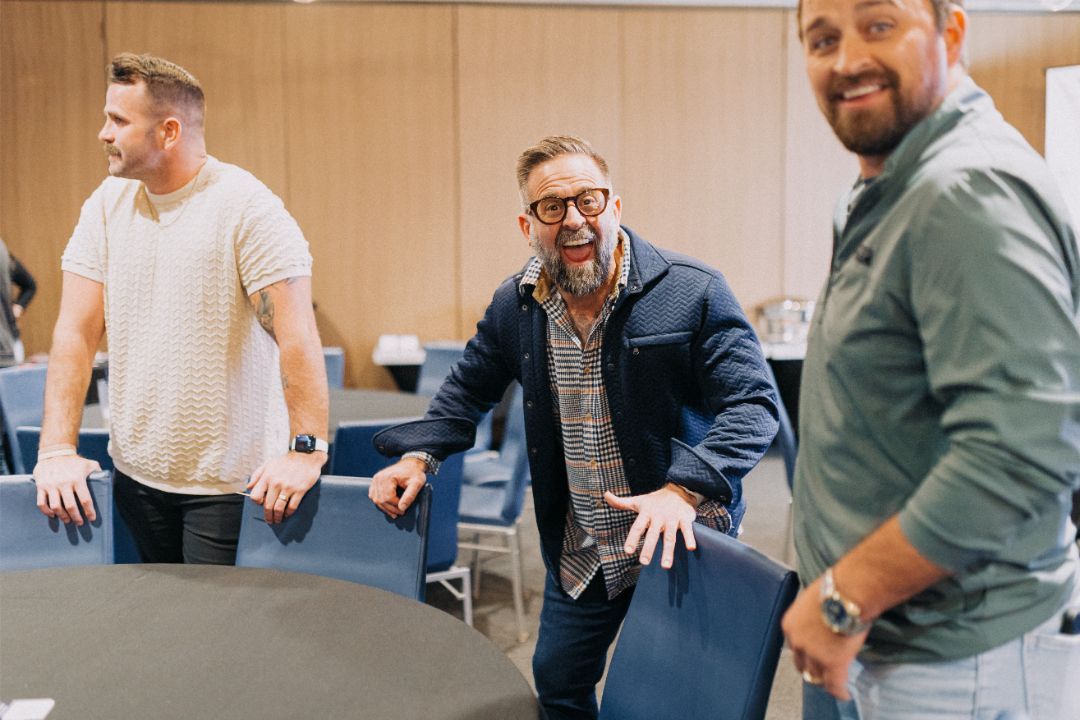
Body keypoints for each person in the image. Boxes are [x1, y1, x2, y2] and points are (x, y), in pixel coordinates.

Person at [369, 135, 778, 720]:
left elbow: (753, 406)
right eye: (552, 207)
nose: (574, 220)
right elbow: (466, 392)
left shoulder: (692, 290)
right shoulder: (518, 304)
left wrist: (682, 489)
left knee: (672, 703)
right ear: (527, 223)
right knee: (558, 685)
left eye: (588, 200)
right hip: (582, 546)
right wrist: (419, 458)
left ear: (615, 206)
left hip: (679, 540)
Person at [782, 1, 1080, 717]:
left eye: (878, 24)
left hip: (949, 657)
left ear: (952, 33)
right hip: (892, 636)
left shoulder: (965, 191)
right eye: (822, 39)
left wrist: (843, 600)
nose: (847, 58)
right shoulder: (890, 186)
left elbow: (1021, 453)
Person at [33, 53, 329, 564]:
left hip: (229, 485)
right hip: (134, 473)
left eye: (118, 120)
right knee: (156, 631)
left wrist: (307, 450)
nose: (103, 133)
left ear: (168, 131)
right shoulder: (106, 204)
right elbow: (75, 334)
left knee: (214, 640)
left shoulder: (246, 206)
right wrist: (56, 448)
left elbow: (297, 335)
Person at [0, 238, 37, 366]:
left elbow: (29, 284)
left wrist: (18, 307)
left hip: (7, 344)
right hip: (8, 346)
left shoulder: (4, 254)